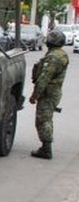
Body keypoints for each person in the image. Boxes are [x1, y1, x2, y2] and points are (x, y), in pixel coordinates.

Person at [29, 29, 69, 159]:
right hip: (53, 92)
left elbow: (44, 77)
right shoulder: (60, 54)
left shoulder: (53, 57)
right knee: (45, 118)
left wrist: (35, 95)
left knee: (43, 120)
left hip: (48, 93)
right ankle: (45, 147)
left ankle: (46, 149)